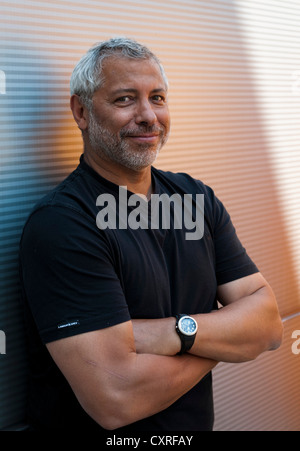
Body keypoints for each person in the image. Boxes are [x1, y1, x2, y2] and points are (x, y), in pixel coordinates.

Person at [19, 37, 283, 432]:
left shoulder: (196, 198)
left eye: (157, 98)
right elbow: (117, 400)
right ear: (81, 111)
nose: (148, 116)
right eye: (125, 99)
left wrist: (172, 332)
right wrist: (226, 337)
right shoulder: (64, 223)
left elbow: (268, 326)